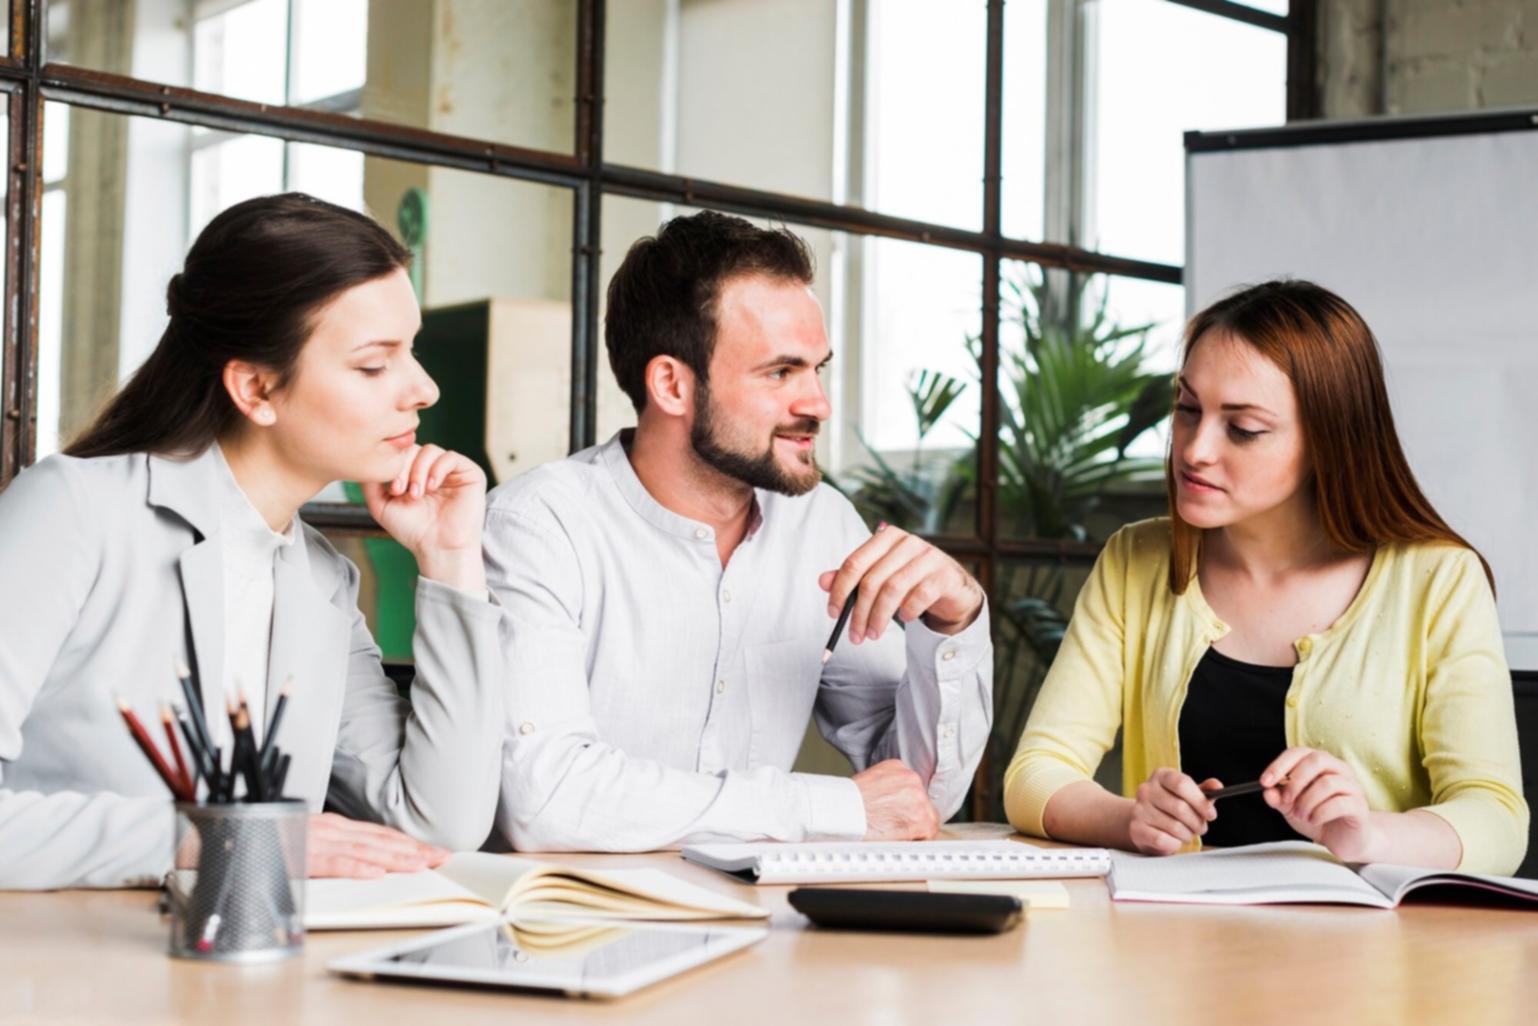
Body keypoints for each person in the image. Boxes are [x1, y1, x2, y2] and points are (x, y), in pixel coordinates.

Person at [0, 193, 506, 889]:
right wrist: (209, 840)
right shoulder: (74, 510)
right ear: (257, 388)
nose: (422, 388)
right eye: (372, 364)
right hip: (66, 974)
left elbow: (435, 824)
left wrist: (451, 564)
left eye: (410, 352)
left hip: (249, 977)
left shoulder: (321, 580)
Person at [484, 210, 993, 851]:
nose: (818, 404)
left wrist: (952, 626)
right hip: (571, 934)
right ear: (671, 384)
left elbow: (911, 800)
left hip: (759, 929)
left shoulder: (821, 522)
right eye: (781, 373)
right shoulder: (538, 528)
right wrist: (824, 805)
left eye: (818, 369)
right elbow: (546, 800)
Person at [1004, 280, 1527, 875]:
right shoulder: (1136, 560)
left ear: (1329, 440)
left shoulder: (1438, 579)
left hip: (1371, 956)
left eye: (1244, 428)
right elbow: (1035, 772)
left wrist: (1368, 836)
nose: (1195, 450)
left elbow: (1497, 819)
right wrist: (1127, 819)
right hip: (1169, 945)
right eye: (1187, 409)